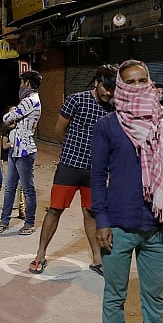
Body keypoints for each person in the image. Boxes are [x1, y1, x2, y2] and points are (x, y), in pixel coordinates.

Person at [92, 60, 163, 323]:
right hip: (118, 225)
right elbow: (97, 177)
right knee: (115, 292)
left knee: (154, 293)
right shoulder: (108, 125)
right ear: (120, 86)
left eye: (141, 80)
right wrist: (101, 220)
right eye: (129, 82)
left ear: (150, 82)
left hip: (156, 225)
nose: (135, 86)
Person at [29, 65, 117, 275]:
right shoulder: (76, 100)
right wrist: (71, 150)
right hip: (69, 166)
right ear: (96, 83)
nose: (108, 93)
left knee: (91, 212)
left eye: (113, 89)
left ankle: (97, 259)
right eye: (106, 87)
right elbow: (59, 129)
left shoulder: (113, 108)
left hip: (95, 172)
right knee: (55, 209)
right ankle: (40, 254)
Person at [0, 71, 42, 235]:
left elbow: (8, 118)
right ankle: (4, 221)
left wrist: (11, 117)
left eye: (22, 82)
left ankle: (29, 223)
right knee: (9, 188)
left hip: (25, 150)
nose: (20, 86)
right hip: (16, 148)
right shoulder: (29, 100)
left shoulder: (30, 100)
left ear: (28, 83)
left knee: (27, 190)